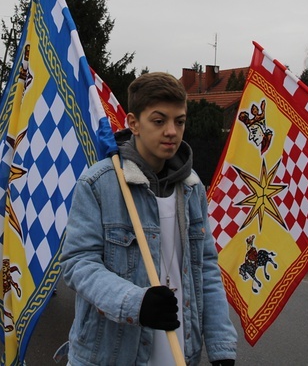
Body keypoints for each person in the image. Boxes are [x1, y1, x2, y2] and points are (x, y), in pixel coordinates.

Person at [59, 72, 237, 366]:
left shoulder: (192, 188)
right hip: (111, 355)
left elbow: (205, 269)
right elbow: (78, 263)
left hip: (179, 350)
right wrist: (136, 303)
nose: (171, 131)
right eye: (159, 120)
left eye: (179, 121)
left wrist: (221, 347)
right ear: (133, 123)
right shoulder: (98, 184)